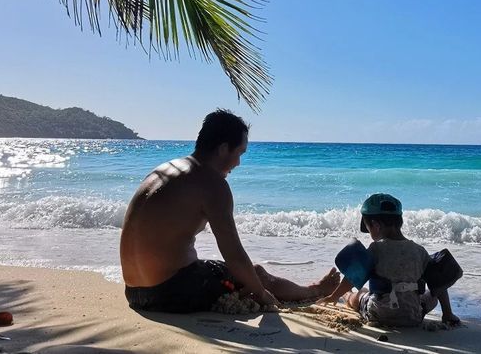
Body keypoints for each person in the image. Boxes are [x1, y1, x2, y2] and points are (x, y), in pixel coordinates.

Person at [121, 109, 339, 313]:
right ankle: (315, 291)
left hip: (134, 292)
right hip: (170, 293)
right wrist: (261, 293)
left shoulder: (164, 170)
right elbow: (234, 255)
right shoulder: (212, 183)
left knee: (235, 273)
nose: (239, 163)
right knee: (256, 274)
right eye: (240, 152)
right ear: (223, 148)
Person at [317, 193, 461, 327]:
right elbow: (439, 283)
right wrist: (447, 313)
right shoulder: (419, 251)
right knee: (433, 295)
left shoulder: (376, 249)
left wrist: (333, 296)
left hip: (379, 313)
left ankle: (346, 296)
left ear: (376, 225)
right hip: (413, 316)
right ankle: (448, 315)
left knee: (360, 294)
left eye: (368, 228)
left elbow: (353, 277)